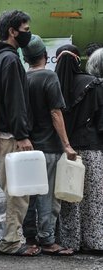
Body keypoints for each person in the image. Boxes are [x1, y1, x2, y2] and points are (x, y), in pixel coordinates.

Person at [0, 10, 41, 256]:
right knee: (16, 192)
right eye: (25, 30)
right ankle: (11, 242)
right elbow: (15, 100)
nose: (28, 34)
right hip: (11, 135)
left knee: (2, 190)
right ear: (12, 31)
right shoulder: (10, 60)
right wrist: (22, 135)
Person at [20, 35, 76, 255]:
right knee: (48, 196)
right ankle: (48, 240)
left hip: (28, 147)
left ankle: (31, 238)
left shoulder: (24, 78)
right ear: (45, 55)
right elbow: (55, 112)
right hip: (49, 147)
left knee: (30, 195)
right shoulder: (49, 77)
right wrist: (67, 144)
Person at [55, 44, 103, 252]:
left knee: (69, 196)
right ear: (78, 60)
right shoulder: (93, 84)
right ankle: (94, 241)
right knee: (93, 197)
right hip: (92, 148)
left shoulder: (54, 84)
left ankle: (69, 241)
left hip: (66, 150)